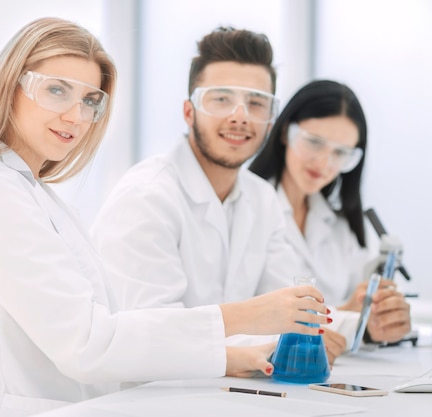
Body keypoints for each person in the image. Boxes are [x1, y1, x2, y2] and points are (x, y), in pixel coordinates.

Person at [0, 18, 330, 417]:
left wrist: (230, 355)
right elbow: (87, 345)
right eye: (57, 91)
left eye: (89, 101)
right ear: (10, 88)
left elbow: (110, 333)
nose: (76, 116)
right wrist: (244, 318)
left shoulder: (35, 194)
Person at [90, 27, 336, 354]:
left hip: (225, 392)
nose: (240, 117)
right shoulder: (147, 197)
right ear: (189, 112)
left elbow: (288, 310)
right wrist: (259, 337)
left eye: (256, 103)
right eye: (221, 99)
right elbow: (151, 334)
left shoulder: (262, 199)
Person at [248, 79, 411, 348]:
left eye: (340, 152)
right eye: (314, 142)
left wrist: (382, 316)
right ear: (286, 132)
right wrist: (346, 315)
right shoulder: (249, 208)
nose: (324, 163)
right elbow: (249, 314)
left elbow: (358, 312)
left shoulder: (339, 226)